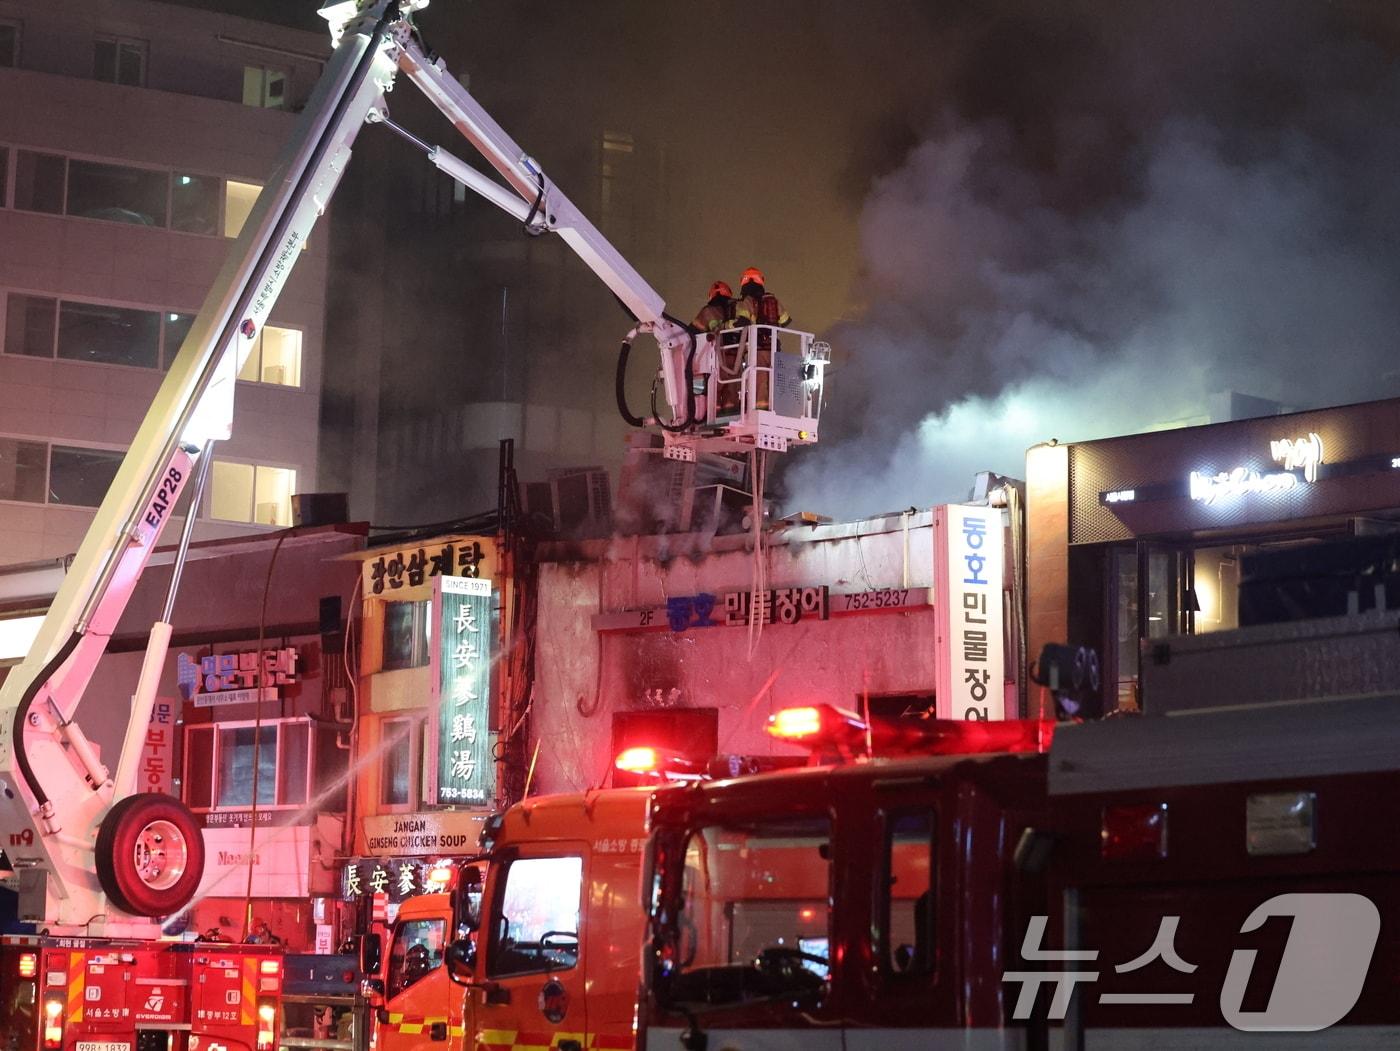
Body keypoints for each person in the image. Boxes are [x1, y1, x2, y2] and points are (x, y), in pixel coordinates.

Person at [729, 267, 791, 410]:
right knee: (774, 381)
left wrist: (727, 326)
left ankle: (760, 410)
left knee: (760, 382)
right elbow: (785, 321)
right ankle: (775, 409)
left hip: (757, 349)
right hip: (774, 348)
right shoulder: (772, 300)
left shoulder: (747, 301)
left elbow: (742, 322)